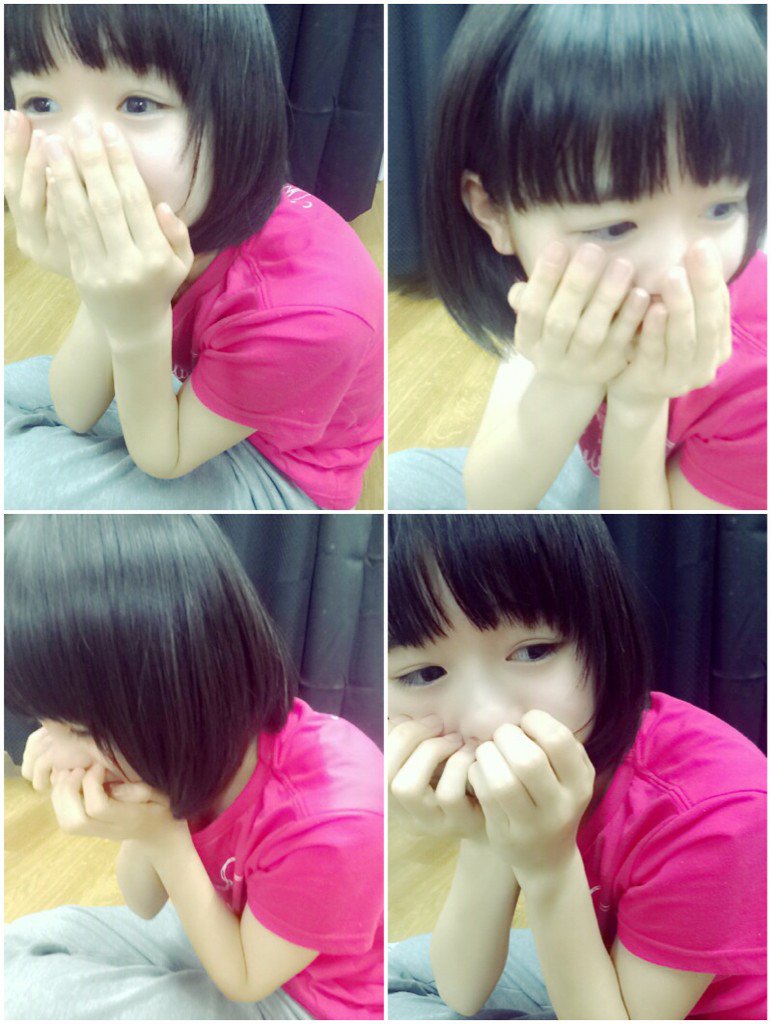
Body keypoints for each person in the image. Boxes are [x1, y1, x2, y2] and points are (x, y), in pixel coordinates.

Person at [4, 514, 384, 1020]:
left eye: (76, 728)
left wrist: (163, 836)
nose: (54, 752)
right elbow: (143, 902)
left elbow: (245, 981)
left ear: (171, 699)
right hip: (230, 931)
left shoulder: (332, 823)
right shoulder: (190, 747)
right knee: (16, 947)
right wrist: (142, 820)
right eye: (47, 722)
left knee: (24, 997)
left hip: (308, 1000)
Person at [387, 514, 766, 1020]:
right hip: (597, 966)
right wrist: (485, 837)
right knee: (392, 974)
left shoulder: (716, 814)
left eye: (533, 651)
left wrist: (548, 867)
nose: (486, 719)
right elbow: (461, 989)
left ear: (603, 637)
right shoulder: (525, 764)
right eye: (424, 674)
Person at [4, 5, 383, 510]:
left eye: (137, 104)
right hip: (189, 391)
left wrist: (138, 327)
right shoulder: (160, 228)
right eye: (42, 102)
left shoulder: (307, 314)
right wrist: (92, 278)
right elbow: (74, 409)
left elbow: (165, 456)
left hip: (276, 464)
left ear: (236, 123)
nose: (76, 146)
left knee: (21, 478)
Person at [388, 4, 766, 511]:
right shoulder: (557, 287)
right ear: (493, 211)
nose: (676, 268)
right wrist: (568, 379)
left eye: (721, 208)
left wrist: (639, 405)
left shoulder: (757, 387)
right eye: (614, 227)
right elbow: (493, 499)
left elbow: (641, 529)